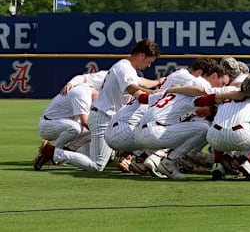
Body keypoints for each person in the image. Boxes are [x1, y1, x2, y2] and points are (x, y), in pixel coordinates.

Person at [35, 39, 162, 172]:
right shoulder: (124, 67)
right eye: (149, 61)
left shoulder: (127, 68)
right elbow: (132, 88)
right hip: (104, 117)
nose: (149, 65)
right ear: (142, 55)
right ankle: (52, 152)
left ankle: (65, 151)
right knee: (97, 165)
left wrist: (158, 82)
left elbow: (141, 83)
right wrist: (154, 93)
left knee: (106, 151)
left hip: (104, 116)